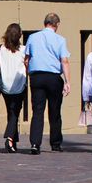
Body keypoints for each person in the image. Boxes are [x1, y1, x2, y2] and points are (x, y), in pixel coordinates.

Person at [24, 12, 71, 153]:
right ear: (56, 25)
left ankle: (35, 143)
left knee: (37, 111)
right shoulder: (60, 40)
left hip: (37, 76)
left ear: (45, 23)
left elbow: (26, 59)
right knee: (55, 111)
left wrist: (28, 73)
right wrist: (68, 81)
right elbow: (64, 61)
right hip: (53, 77)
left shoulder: (32, 37)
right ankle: (55, 143)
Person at [0, 22, 28, 154]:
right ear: (19, 36)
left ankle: (13, 141)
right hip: (19, 85)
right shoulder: (24, 50)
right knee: (15, 112)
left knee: (10, 111)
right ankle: (9, 137)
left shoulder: (0, 49)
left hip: (5, 86)